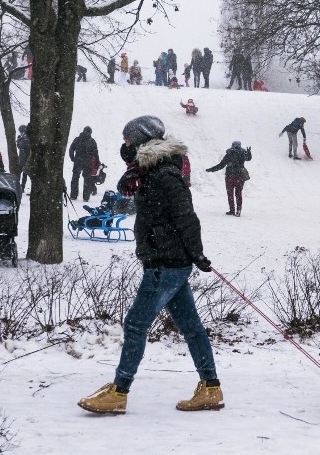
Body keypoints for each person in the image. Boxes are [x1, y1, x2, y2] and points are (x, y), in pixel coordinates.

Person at [78, 115, 221, 415]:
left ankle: (119, 392)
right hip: (169, 262)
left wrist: (197, 254)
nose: (124, 146)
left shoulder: (165, 175)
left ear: (142, 142)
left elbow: (187, 217)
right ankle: (211, 388)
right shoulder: (150, 172)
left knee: (135, 324)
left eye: (128, 141)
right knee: (191, 328)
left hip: (166, 264)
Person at [206, 140, 252, 217]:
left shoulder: (229, 154)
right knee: (238, 193)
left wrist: (211, 169)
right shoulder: (243, 153)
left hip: (230, 176)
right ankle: (238, 210)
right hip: (240, 177)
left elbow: (221, 165)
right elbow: (248, 158)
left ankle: (232, 210)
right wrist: (249, 152)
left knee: (230, 194)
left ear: (232, 145)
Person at [69, 126, 99, 201]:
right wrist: (96, 163)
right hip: (87, 162)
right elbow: (96, 153)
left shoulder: (77, 139)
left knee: (75, 178)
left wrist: (72, 158)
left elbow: (71, 149)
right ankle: (86, 197)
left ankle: (73, 195)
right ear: (90, 133)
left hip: (78, 161)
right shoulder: (92, 141)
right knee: (87, 180)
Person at [17, 124, 31, 194]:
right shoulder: (28, 136)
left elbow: (21, 146)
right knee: (25, 174)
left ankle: (20, 188)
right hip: (27, 158)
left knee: (20, 173)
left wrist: (18, 140)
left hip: (23, 159)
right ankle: (22, 187)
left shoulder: (24, 137)